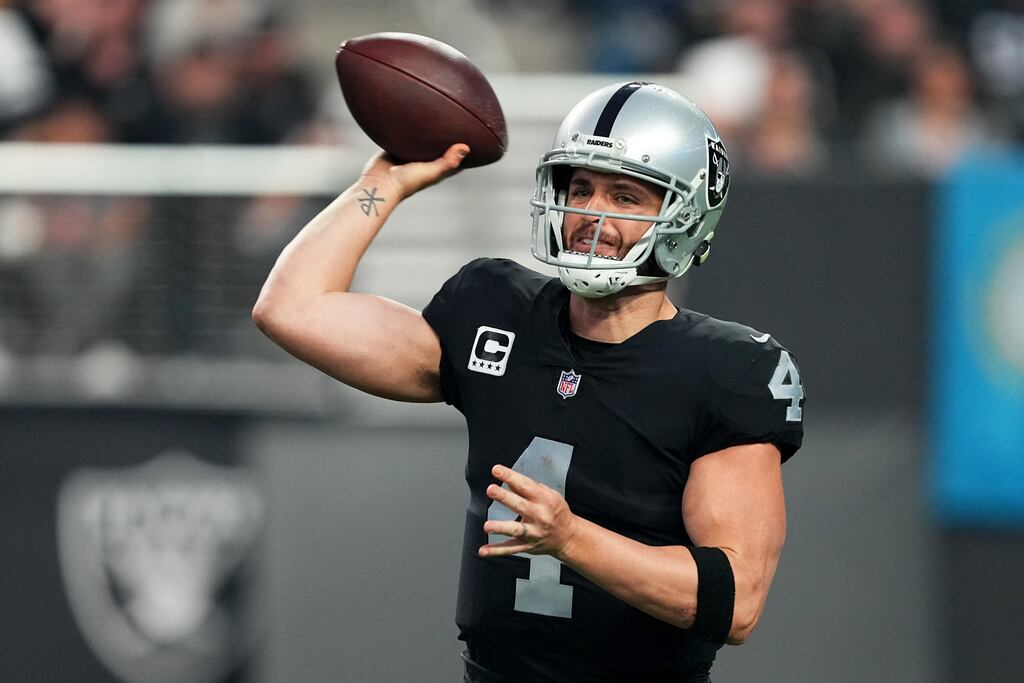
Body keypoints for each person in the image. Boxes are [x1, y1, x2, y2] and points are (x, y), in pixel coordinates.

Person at [253, 81, 805, 682]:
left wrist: (570, 538)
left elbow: (736, 602)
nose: (592, 216)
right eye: (581, 189)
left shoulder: (728, 370)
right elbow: (292, 308)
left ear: (685, 217)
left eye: (625, 196)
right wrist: (385, 181)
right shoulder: (496, 307)